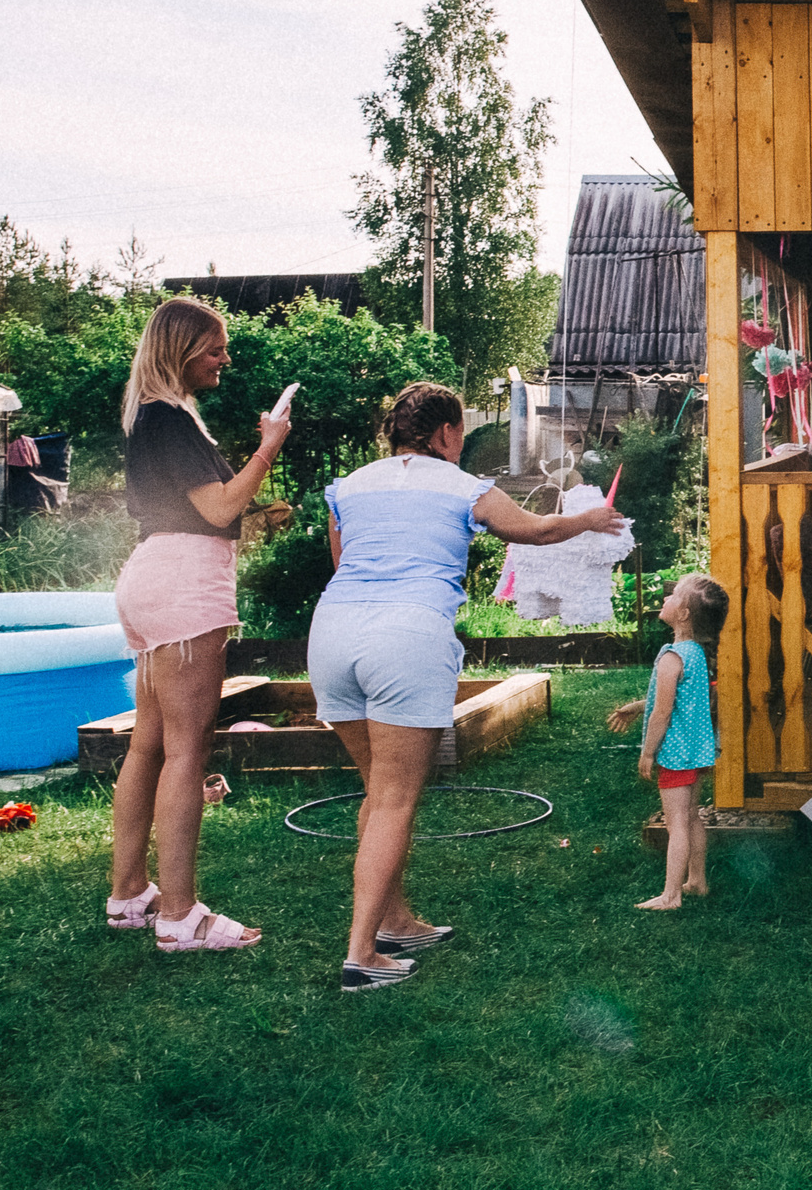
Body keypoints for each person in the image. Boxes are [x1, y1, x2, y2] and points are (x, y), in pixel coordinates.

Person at [312, 382, 630, 990]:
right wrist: (589, 518)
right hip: (406, 636)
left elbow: (342, 562)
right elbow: (533, 531)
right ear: (445, 434)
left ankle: (396, 919)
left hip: (332, 634)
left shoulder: (349, 487)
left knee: (376, 793)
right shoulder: (463, 486)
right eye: (459, 433)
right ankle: (362, 955)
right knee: (395, 801)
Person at [106, 297, 288, 953]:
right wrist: (268, 449)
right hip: (184, 584)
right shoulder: (167, 418)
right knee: (188, 750)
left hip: (156, 576)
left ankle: (129, 894)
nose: (225, 359)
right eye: (215, 348)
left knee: (150, 742)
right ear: (181, 349)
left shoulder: (163, 417)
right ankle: (180, 916)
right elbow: (217, 507)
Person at [635, 573, 731, 911]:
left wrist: (648, 753)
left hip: (674, 755)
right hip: (696, 751)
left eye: (673, 596)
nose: (665, 599)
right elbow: (679, 700)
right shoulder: (695, 654)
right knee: (692, 817)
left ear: (684, 614)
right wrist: (636, 707)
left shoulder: (671, 656)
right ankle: (697, 881)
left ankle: (671, 895)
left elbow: (662, 714)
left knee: (676, 823)